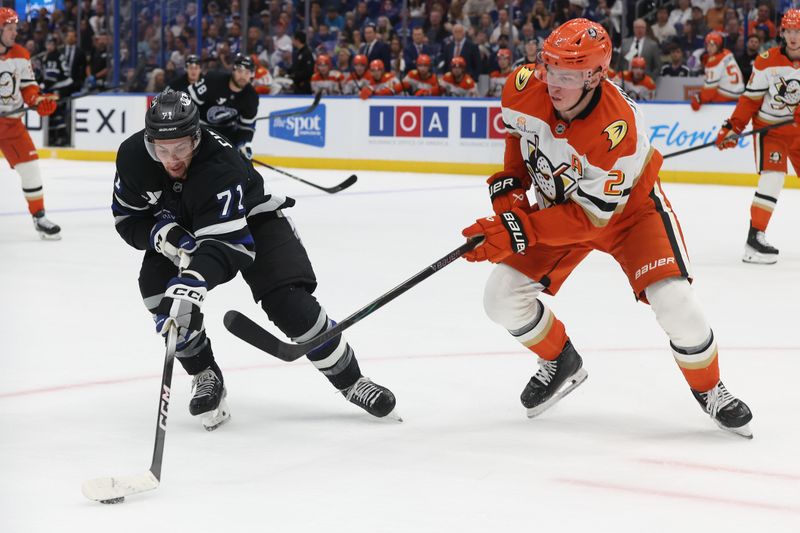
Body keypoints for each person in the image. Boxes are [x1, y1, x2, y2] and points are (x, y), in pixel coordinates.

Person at [460, 19, 752, 437]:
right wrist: (511, 186)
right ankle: (560, 360)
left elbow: (591, 218)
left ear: (595, 76)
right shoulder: (525, 85)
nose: (552, 83)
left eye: (567, 75)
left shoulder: (620, 130)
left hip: (628, 216)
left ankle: (711, 389)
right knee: (500, 298)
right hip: (557, 208)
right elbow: (517, 132)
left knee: (676, 303)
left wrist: (519, 230)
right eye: (548, 67)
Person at [111, 89, 399, 430]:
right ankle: (204, 373)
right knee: (159, 295)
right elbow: (128, 219)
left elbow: (230, 245)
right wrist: (164, 235)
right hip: (186, 226)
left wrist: (194, 280)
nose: (172, 160)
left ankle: (351, 380)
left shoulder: (220, 164)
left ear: (197, 137)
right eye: (162, 150)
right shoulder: (132, 156)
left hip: (253, 221)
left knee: (289, 304)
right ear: (149, 141)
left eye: (182, 149)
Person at [716, 9, 800, 265]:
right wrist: (732, 128)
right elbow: (749, 100)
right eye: (789, 31)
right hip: (770, 130)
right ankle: (755, 239)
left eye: (798, 31)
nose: (794, 37)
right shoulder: (766, 61)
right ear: (782, 33)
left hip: (797, 131)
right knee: (773, 178)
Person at [0, 8, 61, 239]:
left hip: (12, 125)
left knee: (31, 169)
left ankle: (39, 217)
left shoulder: (21, 54)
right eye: (10, 29)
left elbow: (28, 87)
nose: (15, 33)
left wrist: (37, 100)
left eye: (16, 28)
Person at [188, 53, 257, 160]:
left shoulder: (251, 97)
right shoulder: (213, 80)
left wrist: (243, 143)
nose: (243, 76)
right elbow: (187, 100)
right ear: (233, 70)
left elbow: (246, 127)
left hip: (227, 133)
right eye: (239, 71)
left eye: (247, 72)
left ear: (252, 75)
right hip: (201, 129)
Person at [691, 32, 744, 111]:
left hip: (727, 95)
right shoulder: (727, 52)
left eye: (712, 45)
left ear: (718, 46)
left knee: (698, 96)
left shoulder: (713, 61)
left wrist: (699, 99)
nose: (709, 48)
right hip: (740, 92)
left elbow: (710, 89)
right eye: (708, 45)